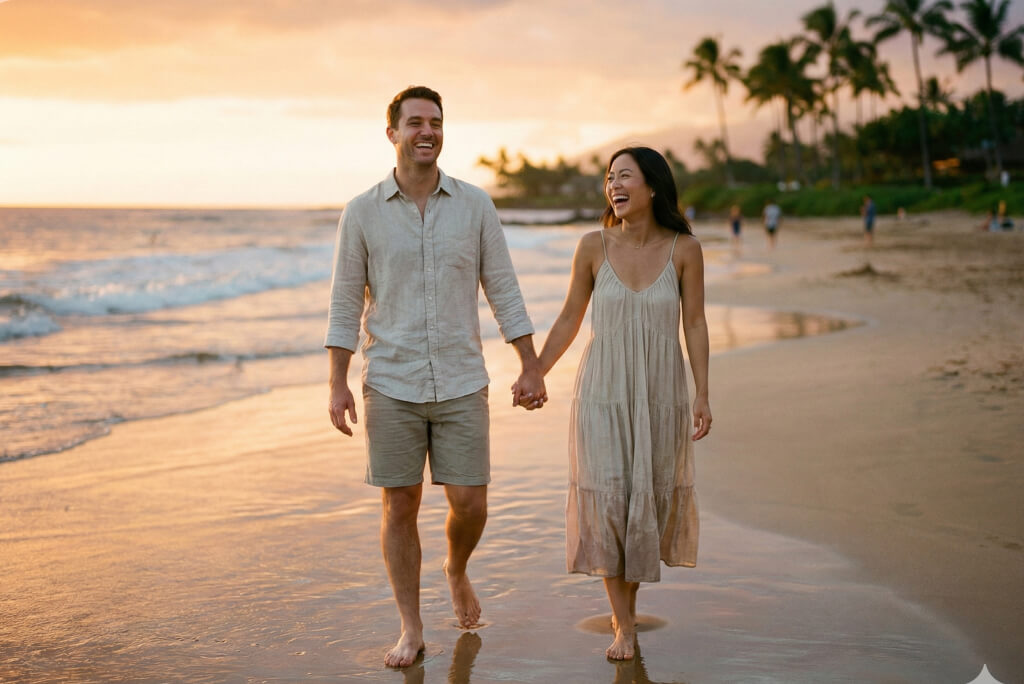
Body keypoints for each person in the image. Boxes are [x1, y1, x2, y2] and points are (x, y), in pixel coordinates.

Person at [324, 85, 546, 669]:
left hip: (461, 377)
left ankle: (456, 568)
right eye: (416, 122)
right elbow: (345, 302)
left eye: (437, 122)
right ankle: (411, 627)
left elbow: (503, 286)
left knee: (470, 501)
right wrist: (337, 381)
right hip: (390, 380)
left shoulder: (475, 205)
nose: (428, 131)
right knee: (400, 505)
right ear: (392, 132)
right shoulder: (362, 211)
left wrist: (529, 362)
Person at [516, 146, 711, 661]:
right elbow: (569, 319)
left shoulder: (685, 250)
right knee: (607, 498)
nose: (613, 185)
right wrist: (534, 369)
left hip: (660, 394)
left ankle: (626, 607)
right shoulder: (592, 246)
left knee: (640, 498)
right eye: (609, 178)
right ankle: (623, 624)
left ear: (652, 187)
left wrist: (704, 393)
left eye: (624, 176)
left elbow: (694, 324)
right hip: (601, 394)